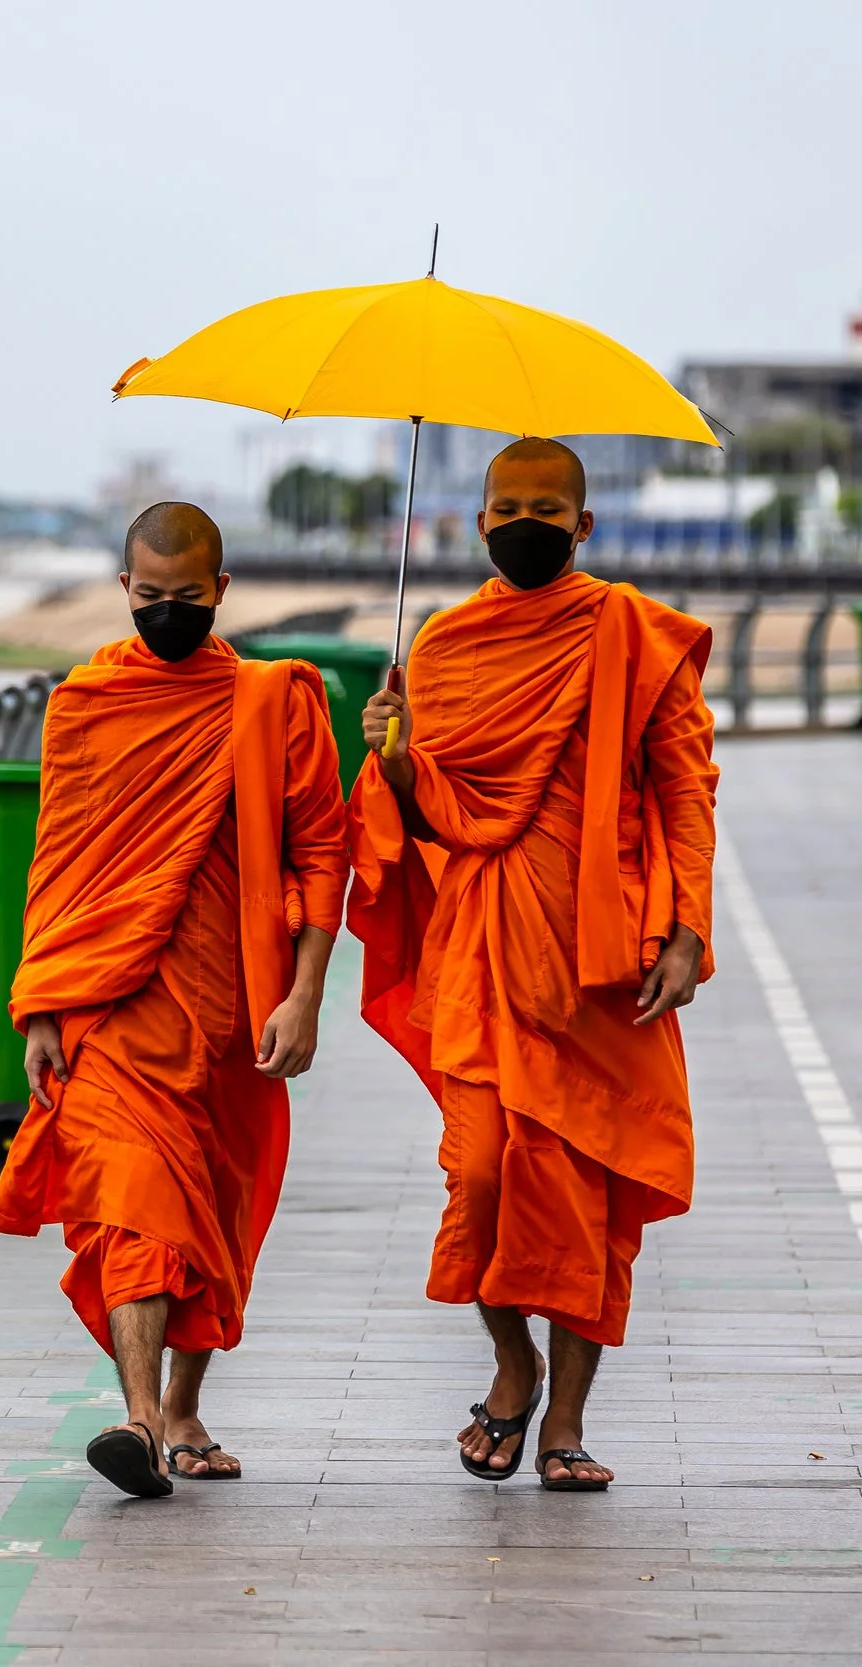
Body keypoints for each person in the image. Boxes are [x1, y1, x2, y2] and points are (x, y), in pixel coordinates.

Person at [349, 436, 717, 1491]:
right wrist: (393, 756)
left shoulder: (631, 636)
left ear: (583, 525)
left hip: (603, 964)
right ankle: (509, 1365)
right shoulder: (446, 644)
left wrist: (687, 929)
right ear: (475, 521)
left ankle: (563, 1421)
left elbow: (686, 789)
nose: (525, 525)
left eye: (545, 510)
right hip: (482, 950)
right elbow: (429, 813)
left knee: (589, 1198)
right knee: (479, 1174)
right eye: (506, 506)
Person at [0, 500, 348, 1498]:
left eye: (187, 598)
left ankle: (183, 1406)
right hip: (111, 1003)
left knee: (219, 1212)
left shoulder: (272, 699)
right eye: (150, 598)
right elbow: (56, 856)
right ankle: (141, 1418)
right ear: (123, 590)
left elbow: (324, 851)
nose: (167, 612)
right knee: (137, 1200)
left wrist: (306, 994)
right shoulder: (88, 700)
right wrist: (42, 1006)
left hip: (237, 1004)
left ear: (221, 591)